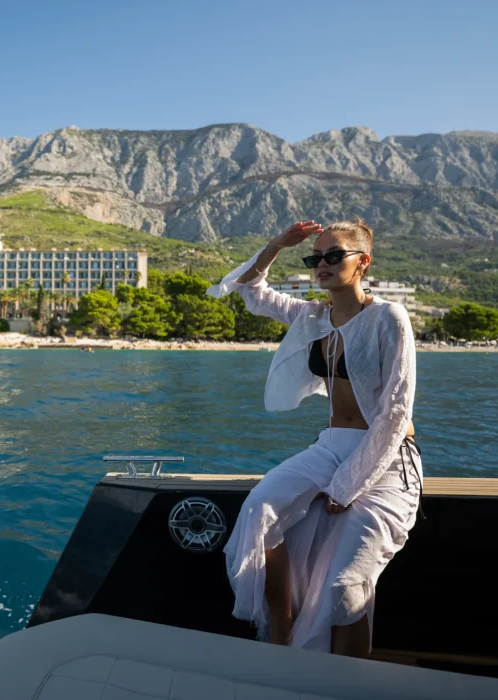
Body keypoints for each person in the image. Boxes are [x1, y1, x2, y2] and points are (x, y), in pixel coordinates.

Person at [205, 219, 422, 657]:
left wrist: (347, 486)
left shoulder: (388, 318)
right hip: (331, 446)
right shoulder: (312, 316)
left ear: (363, 262)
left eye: (334, 255)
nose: (321, 264)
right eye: (315, 257)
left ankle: (347, 681)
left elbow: (396, 412)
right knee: (260, 511)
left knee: (347, 586)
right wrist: (276, 245)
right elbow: (249, 289)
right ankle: (282, 635)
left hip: (388, 460)